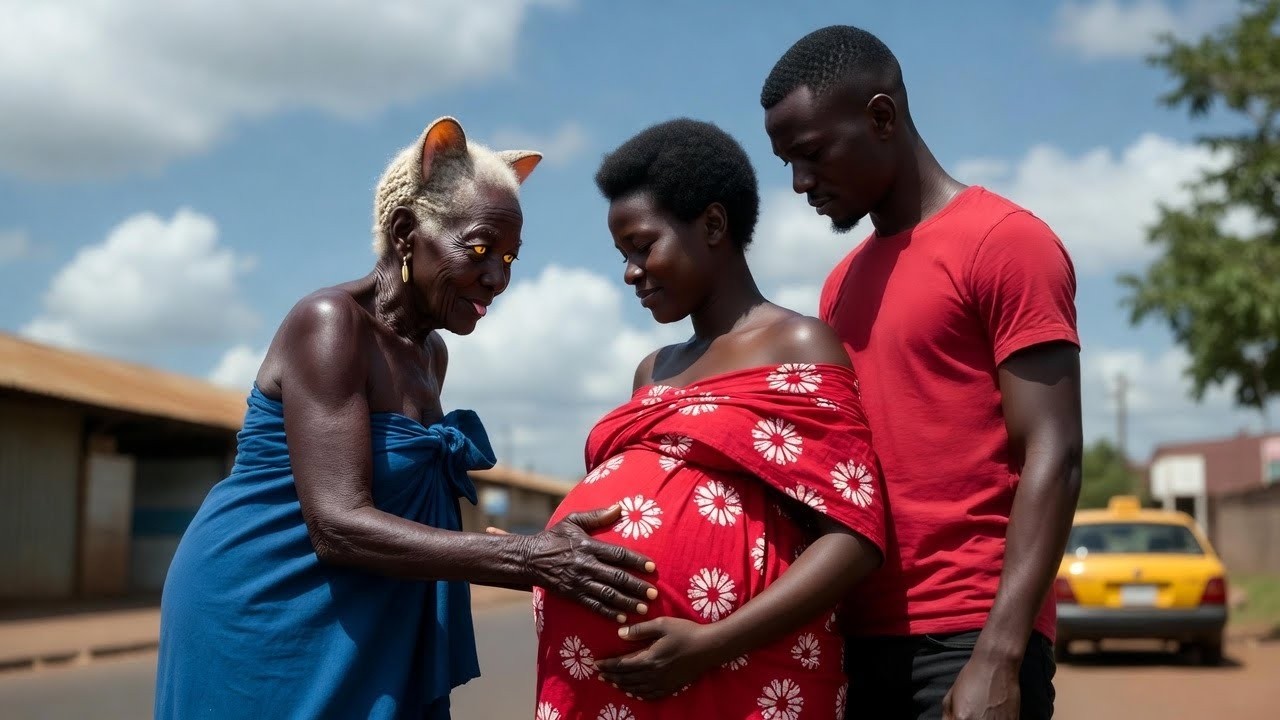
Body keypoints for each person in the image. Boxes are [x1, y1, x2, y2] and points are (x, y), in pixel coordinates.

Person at [154, 117, 660, 720]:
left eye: (508, 257)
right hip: (265, 605)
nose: (497, 278)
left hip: (366, 607)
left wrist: (528, 547)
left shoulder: (429, 353)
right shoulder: (330, 323)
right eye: (478, 250)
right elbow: (338, 523)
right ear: (404, 232)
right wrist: (529, 559)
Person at [761, 26, 1083, 720]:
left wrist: (998, 656)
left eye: (812, 154)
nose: (800, 183)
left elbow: (1053, 455)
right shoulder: (841, 286)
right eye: (787, 162)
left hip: (970, 636)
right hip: (861, 640)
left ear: (882, 117)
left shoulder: (1005, 242)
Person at [532, 119, 885, 720]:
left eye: (643, 246)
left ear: (713, 226)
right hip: (612, 691)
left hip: (745, 676)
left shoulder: (796, 342)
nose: (630, 273)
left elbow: (853, 536)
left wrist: (711, 644)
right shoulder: (654, 370)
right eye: (623, 254)